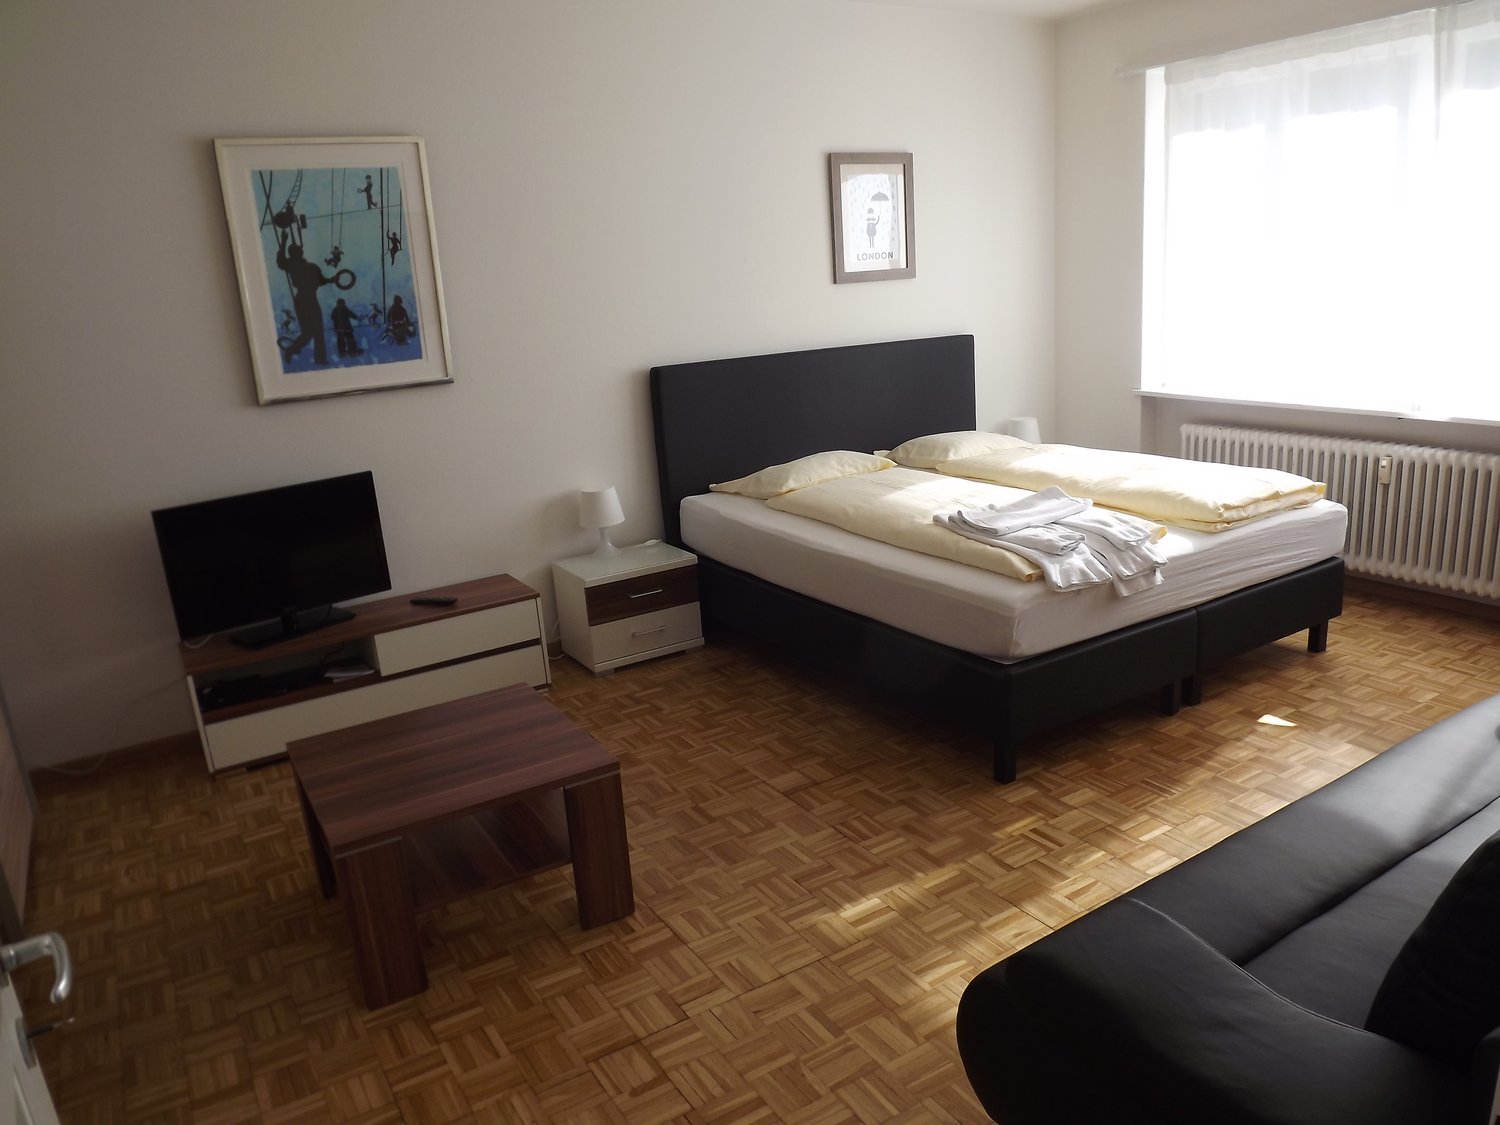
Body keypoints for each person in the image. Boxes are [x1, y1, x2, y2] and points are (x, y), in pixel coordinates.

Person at [275, 240, 333, 365]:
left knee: (311, 332)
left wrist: (283, 242)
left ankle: (296, 351)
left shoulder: (292, 266)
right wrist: (331, 280)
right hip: (310, 300)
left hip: (302, 300)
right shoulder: (311, 267)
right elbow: (322, 281)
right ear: (301, 253)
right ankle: (317, 358)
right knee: (316, 331)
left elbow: (280, 261)